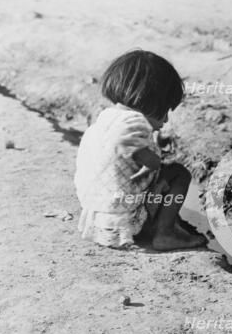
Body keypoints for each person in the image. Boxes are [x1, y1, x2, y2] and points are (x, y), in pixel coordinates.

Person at [74, 50, 206, 251]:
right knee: (178, 174)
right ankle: (164, 233)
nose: (166, 121)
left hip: (98, 217)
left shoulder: (105, 119)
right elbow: (138, 153)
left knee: (152, 179)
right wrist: (153, 163)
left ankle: (168, 222)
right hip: (127, 218)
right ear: (152, 102)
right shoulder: (134, 122)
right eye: (165, 111)